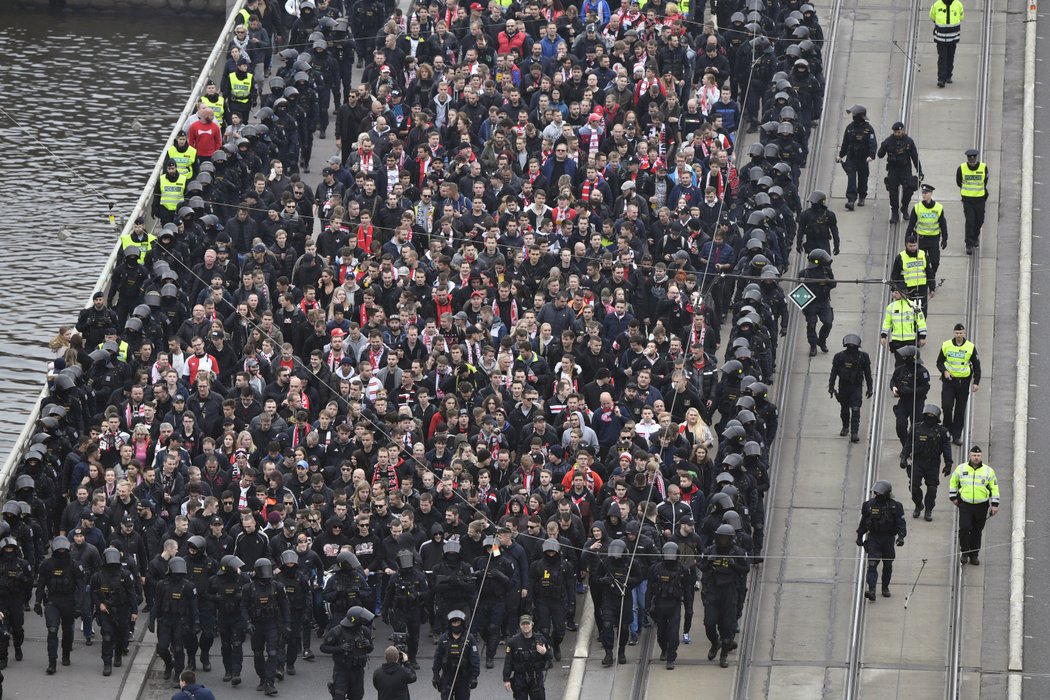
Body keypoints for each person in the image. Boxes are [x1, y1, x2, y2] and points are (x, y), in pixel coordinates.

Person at [700, 524, 749, 668]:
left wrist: (734, 565)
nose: (722, 541)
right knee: (709, 623)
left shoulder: (738, 552)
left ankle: (724, 655)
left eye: (725, 538)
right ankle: (715, 643)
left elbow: (745, 569)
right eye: (720, 538)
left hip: (730, 591)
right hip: (713, 590)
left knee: (727, 627)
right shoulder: (710, 550)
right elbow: (701, 566)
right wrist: (709, 562)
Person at [36, 535, 85, 675]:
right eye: (59, 550)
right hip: (52, 601)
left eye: (64, 550)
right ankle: (52, 662)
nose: (61, 552)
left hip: (68, 601)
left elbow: (81, 586)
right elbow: (40, 584)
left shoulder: (74, 565)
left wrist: (79, 606)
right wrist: (38, 602)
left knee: (67, 630)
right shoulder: (47, 564)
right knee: (52, 630)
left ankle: (66, 654)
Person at [148, 556, 199, 687]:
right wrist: (151, 619)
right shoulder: (162, 584)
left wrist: (196, 623)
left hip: (180, 622)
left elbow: (194, 607)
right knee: (162, 648)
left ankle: (178, 674)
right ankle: (169, 664)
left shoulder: (188, 586)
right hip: (165, 621)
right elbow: (157, 603)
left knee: (178, 648)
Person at [242, 557, 289, 696]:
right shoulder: (248, 588)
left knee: (273, 653)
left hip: (272, 624)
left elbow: (285, 607)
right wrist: (247, 623)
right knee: (257, 653)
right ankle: (262, 677)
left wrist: (287, 624)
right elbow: (243, 606)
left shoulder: (277, 587)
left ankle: (270, 682)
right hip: (256, 625)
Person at [900, 404, 954, 520]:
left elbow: (947, 449)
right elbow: (908, 443)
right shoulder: (916, 428)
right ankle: (918, 504)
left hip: (933, 463)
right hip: (918, 462)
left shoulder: (942, 431)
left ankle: (929, 509)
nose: (930, 417)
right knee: (913, 487)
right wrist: (903, 457)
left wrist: (948, 464)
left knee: (932, 488)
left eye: (932, 415)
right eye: (928, 414)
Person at [948, 446, 1000, 565]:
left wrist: (995, 504)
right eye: (974, 455)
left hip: (981, 506)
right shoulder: (961, 469)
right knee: (965, 528)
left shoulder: (988, 471)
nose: (976, 458)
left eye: (978, 456)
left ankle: (974, 555)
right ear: (969, 456)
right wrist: (953, 497)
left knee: (977, 531)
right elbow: (953, 481)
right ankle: (965, 552)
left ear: (981, 456)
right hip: (965, 505)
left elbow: (994, 488)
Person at [856, 480, 906, 600]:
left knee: (887, 564)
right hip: (874, 538)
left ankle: (885, 587)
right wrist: (859, 535)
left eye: (879, 493)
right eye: (876, 492)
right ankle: (872, 590)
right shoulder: (868, 505)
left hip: (888, 539)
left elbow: (901, 523)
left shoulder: (895, 506)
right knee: (872, 564)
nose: (877, 495)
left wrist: (901, 536)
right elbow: (863, 522)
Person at [91, 547, 138, 676]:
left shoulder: (125, 574)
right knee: (107, 636)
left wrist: (134, 611)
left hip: (122, 610)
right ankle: (107, 663)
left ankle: (118, 654)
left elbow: (131, 593)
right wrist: (99, 604)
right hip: (106, 610)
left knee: (121, 636)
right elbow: (94, 593)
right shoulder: (98, 576)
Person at [597, 538, 640, 667]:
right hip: (609, 598)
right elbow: (596, 577)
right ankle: (608, 653)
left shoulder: (632, 563)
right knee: (607, 625)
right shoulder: (605, 562)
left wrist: (629, 581)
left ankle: (621, 650)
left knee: (624, 627)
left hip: (624, 598)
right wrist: (604, 580)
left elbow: (639, 578)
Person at [646, 542, 690, 670]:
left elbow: (687, 591)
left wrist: (689, 608)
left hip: (675, 604)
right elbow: (649, 588)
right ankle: (664, 649)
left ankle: (671, 658)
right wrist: (647, 604)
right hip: (660, 604)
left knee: (674, 634)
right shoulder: (655, 569)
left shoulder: (683, 570)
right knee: (661, 633)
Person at [936, 323, 982, 445]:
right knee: (946, 407)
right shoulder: (946, 345)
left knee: (960, 410)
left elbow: (977, 366)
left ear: (964, 333)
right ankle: (947, 432)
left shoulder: (970, 347)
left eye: (961, 333)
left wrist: (976, 382)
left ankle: (956, 435)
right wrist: (944, 371)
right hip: (949, 381)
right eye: (956, 333)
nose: (958, 335)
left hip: (963, 382)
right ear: (954, 333)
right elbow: (939, 362)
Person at [383, 550, 428, 670]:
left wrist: (417, 594)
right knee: (400, 637)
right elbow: (388, 595)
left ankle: (412, 658)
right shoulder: (395, 577)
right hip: (399, 610)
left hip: (414, 609)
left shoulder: (419, 576)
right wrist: (384, 611)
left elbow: (427, 593)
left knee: (414, 636)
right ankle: (400, 658)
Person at [209, 554, 249, 686]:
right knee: (226, 645)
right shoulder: (215, 580)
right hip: (223, 617)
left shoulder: (242, 578)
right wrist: (216, 598)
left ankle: (236, 672)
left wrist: (241, 596)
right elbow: (207, 596)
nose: (237, 568)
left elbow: (251, 592)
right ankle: (228, 670)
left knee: (237, 644)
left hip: (238, 616)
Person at [321, 606, 375, 700]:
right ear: (355, 620)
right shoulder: (337, 631)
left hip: (358, 671)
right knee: (339, 697)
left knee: (357, 697)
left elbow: (370, 649)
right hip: (342, 670)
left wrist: (368, 644)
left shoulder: (365, 631)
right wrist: (340, 648)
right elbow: (323, 647)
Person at [829, 333, 874, 443]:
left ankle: (854, 432)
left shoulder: (863, 357)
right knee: (844, 409)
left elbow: (868, 373)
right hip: (843, 386)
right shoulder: (839, 357)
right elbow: (833, 373)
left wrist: (870, 387)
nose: (851, 349)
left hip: (856, 387)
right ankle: (845, 427)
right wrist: (831, 387)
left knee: (855, 409)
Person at [877, 121, 922, 223]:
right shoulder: (889, 141)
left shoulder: (909, 141)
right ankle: (894, 213)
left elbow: (915, 157)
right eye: (895, 132)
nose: (897, 134)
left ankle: (904, 207)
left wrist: (920, 170)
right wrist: (883, 146)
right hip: (893, 170)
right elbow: (880, 155)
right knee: (893, 192)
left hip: (905, 169)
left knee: (909, 190)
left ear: (903, 131)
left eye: (899, 132)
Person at [906, 184, 948, 288]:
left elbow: (943, 224)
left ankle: (931, 276)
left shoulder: (938, 207)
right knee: (921, 262)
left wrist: (945, 238)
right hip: (920, 240)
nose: (924, 195)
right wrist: (907, 240)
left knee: (935, 262)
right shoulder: (917, 207)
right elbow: (911, 225)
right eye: (923, 193)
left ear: (931, 194)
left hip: (933, 239)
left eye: (926, 193)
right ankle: (925, 280)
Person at [836, 104, 877, 210]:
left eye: (855, 114)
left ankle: (862, 196)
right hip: (852, 158)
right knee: (851, 179)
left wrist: (871, 156)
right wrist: (840, 155)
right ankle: (851, 200)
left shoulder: (868, 129)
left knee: (863, 178)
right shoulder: (850, 128)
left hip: (863, 158)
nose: (853, 115)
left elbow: (873, 143)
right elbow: (845, 142)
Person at [432, 609, 480, 699]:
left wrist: (474, 676)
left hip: (463, 676)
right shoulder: (443, 638)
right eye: (454, 623)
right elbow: (437, 657)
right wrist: (435, 674)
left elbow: (475, 658)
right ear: (450, 624)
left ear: (462, 623)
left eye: (458, 622)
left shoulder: (469, 638)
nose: (456, 625)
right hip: (447, 675)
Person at [797, 249, 837, 357]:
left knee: (828, 322)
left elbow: (834, 284)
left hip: (824, 302)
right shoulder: (804, 274)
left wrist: (826, 283)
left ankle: (822, 340)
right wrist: (804, 308)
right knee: (811, 325)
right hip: (811, 304)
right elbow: (799, 293)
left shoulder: (826, 271)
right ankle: (813, 345)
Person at [889, 345, 931, 448]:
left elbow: (925, 388)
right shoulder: (900, 369)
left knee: (916, 428)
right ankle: (906, 447)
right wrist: (893, 387)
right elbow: (893, 380)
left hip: (917, 402)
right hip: (903, 402)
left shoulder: (922, 372)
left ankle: (914, 448)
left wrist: (911, 391)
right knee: (900, 426)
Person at [502, 614, 551, 699]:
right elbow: (508, 662)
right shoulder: (513, 642)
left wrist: (545, 652)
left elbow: (550, 657)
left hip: (536, 679)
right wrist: (506, 679)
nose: (525, 626)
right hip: (520, 679)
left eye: (527, 623)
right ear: (520, 625)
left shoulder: (540, 639)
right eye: (523, 624)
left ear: (532, 624)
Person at [0, 536, 31, 669]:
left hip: (16, 600)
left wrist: (22, 579)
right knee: (3, 632)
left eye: (11, 548)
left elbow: (30, 582)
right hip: (2, 601)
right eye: (6, 549)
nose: (8, 551)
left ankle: (18, 646)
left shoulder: (22, 564)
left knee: (17, 629)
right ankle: (3, 657)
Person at [880, 286, 927, 360]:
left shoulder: (913, 305)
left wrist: (922, 337)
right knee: (899, 363)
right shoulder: (890, 307)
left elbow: (921, 321)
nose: (893, 294)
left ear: (903, 293)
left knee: (911, 362)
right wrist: (883, 336)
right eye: (893, 292)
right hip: (897, 341)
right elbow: (887, 322)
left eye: (896, 293)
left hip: (910, 340)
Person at [890, 234, 933, 313]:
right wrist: (894, 289)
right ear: (906, 245)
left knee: (922, 313)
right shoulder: (900, 257)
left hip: (922, 288)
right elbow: (894, 275)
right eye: (910, 246)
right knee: (908, 312)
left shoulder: (923, 255)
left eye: (914, 245)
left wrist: (932, 288)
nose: (913, 248)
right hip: (907, 290)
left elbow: (929, 272)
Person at [957, 148, 989, 253]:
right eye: (970, 161)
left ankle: (975, 236)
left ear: (976, 159)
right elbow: (959, 182)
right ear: (968, 160)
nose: (972, 163)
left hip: (980, 199)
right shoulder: (961, 168)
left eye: (973, 161)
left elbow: (985, 181)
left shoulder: (983, 167)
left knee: (980, 220)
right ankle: (969, 244)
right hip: (967, 200)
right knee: (970, 221)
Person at [930, 0, 965, 87]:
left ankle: (948, 75)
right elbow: (961, 17)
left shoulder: (957, 4)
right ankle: (942, 78)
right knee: (944, 57)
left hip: (951, 37)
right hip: (943, 37)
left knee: (949, 56)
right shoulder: (937, 5)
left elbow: (932, 17)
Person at [795, 190, 840, 255]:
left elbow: (834, 230)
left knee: (826, 262)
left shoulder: (829, 214)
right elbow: (801, 229)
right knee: (812, 262)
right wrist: (798, 243)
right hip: (811, 243)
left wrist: (836, 245)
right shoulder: (806, 214)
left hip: (823, 242)